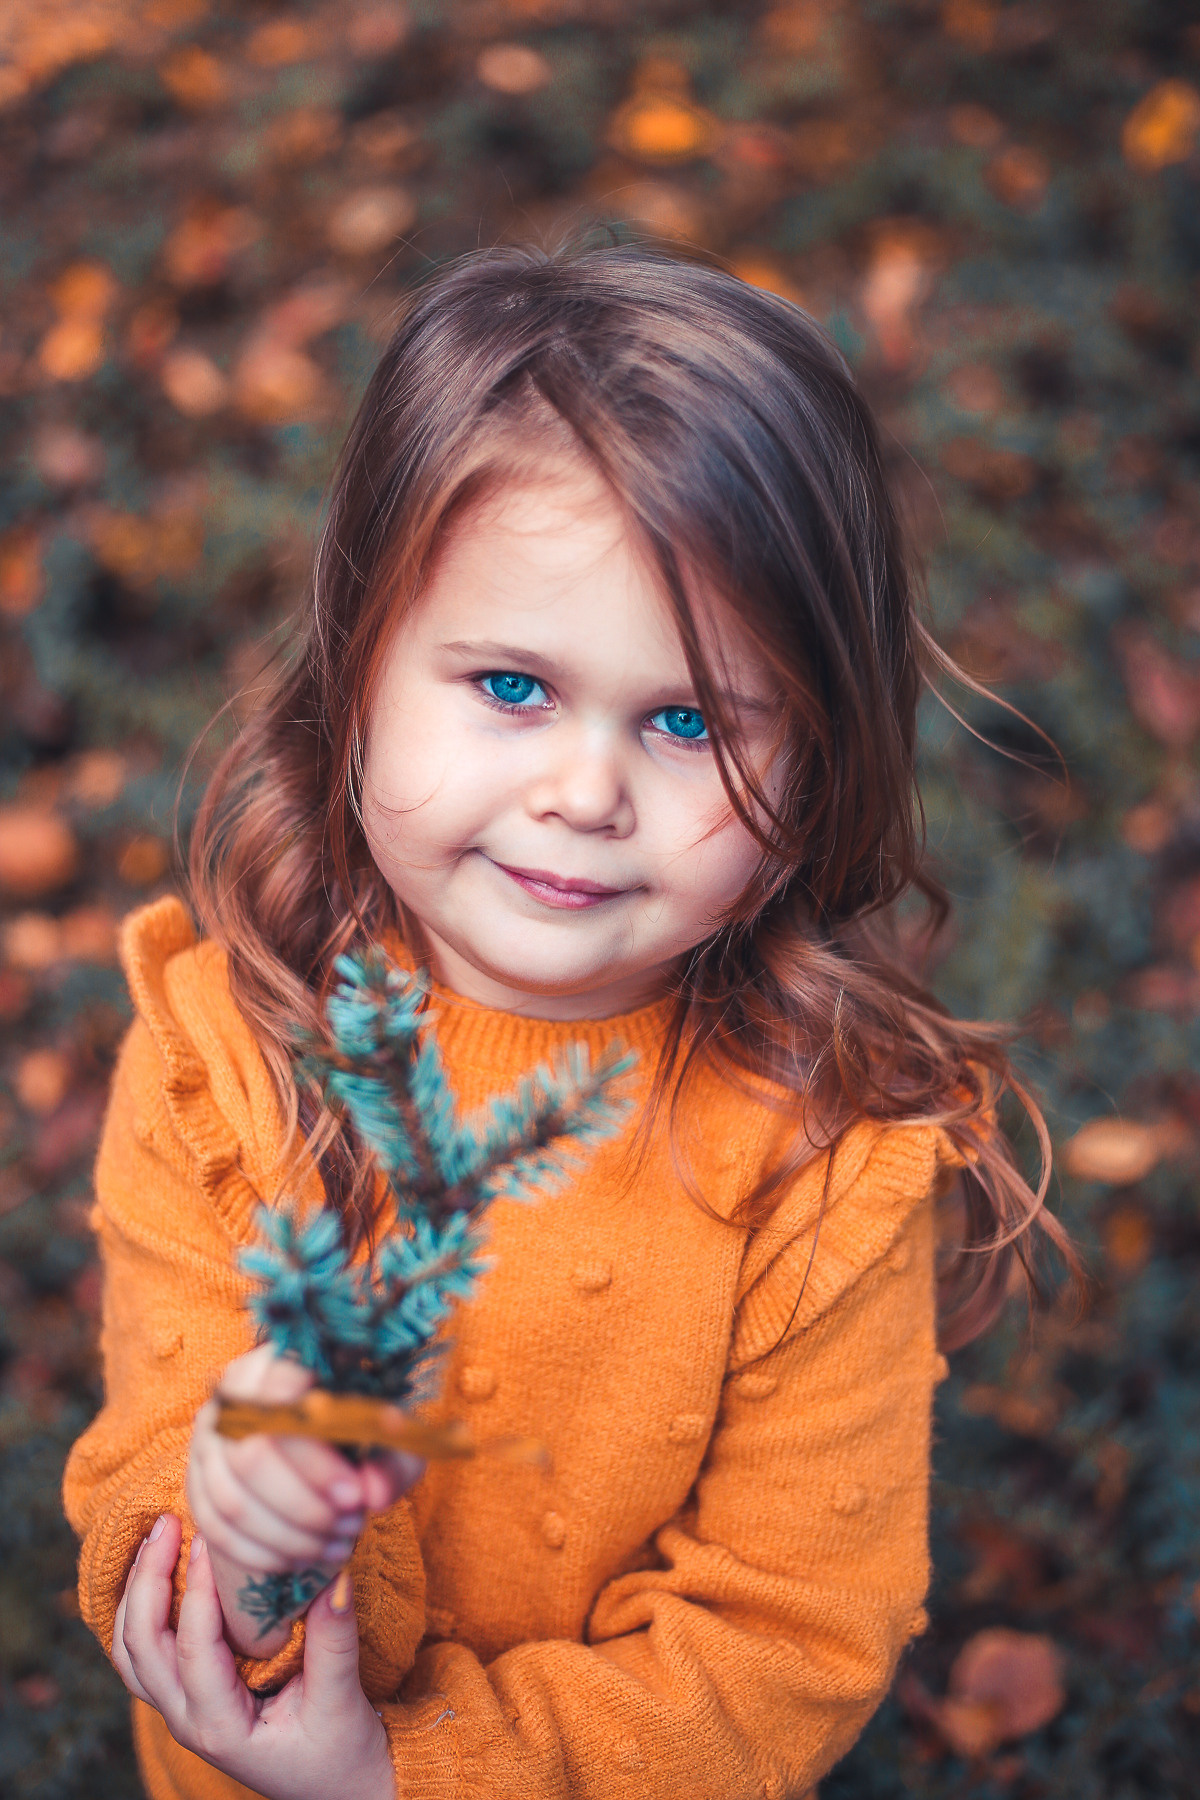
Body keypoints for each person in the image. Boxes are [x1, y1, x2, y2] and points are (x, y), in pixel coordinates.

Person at [64, 240, 1071, 1800]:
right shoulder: (224, 1061)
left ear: (813, 774)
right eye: (513, 687)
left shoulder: (824, 1157)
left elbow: (790, 1639)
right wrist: (246, 1530)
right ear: (362, 670)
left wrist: (406, 1780)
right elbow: (155, 1529)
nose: (585, 792)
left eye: (685, 722)